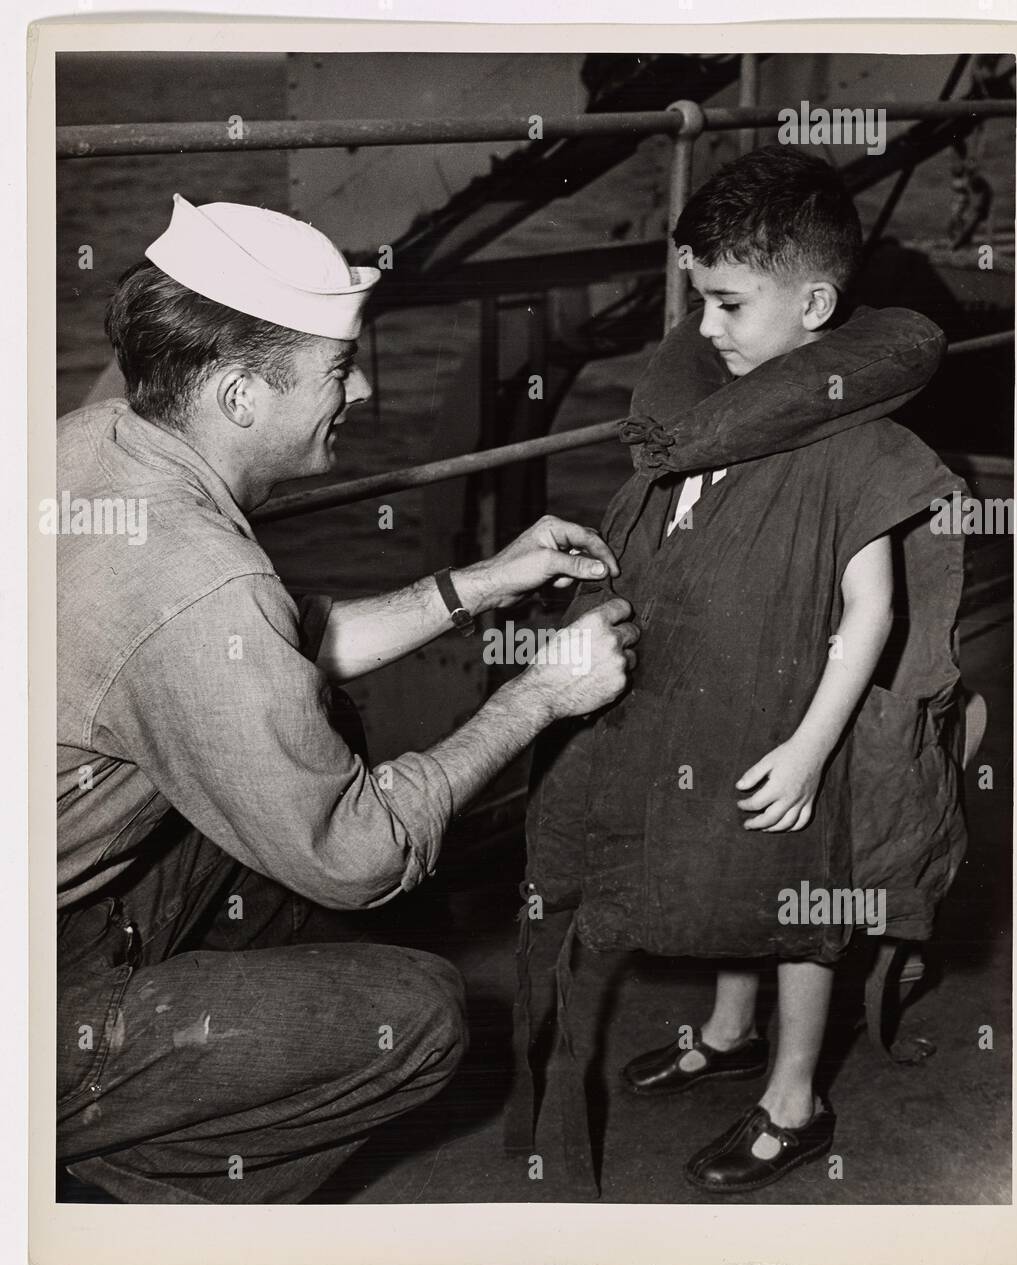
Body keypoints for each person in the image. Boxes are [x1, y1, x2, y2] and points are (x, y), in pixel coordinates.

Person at [55, 194, 639, 1203]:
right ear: (240, 396)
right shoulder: (195, 577)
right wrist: (542, 694)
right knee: (419, 1013)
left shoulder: (100, 442)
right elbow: (358, 855)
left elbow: (270, 648)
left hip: (60, 891)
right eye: (339, 367)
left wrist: (478, 584)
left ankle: (142, 1082)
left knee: (323, 727)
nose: (363, 389)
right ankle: (133, 1196)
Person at [522, 148, 967, 1195]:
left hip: (803, 720)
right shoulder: (724, 412)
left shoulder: (857, 443)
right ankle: (728, 1029)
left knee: (800, 902)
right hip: (724, 697)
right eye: (700, 301)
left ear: (815, 303)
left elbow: (875, 608)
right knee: (728, 860)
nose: (706, 329)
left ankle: (795, 1096)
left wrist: (813, 750)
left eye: (727, 304)